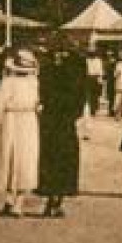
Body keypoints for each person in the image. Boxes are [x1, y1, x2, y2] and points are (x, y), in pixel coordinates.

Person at [35, 45, 83, 218]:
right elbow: (80, 98)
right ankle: (57, 200)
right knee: (64, 160)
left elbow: (40, 94)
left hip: (50, 121)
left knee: (49, 159)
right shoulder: (75, 71)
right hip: (65, 123)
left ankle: (50, 199)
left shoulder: (47, 71)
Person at [0, 49, 41, 216]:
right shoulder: (8, 82)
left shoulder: (33, 82)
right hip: (15, 120)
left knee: (25, 158)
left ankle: (18, 201)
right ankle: (10, 199)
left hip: (25, 120)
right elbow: (1, 105)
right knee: (11, 155)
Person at [83, 47, 106, 117]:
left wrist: (100, 79)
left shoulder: (98, 61)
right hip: (88, 78)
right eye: (90, 52)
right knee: (89, 94)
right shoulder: (86, 61)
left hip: (96, 78)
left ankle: (95, 108)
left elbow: (100, 70)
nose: (91, 54)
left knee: (96, 94)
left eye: (93, 52)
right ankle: (91, 109)